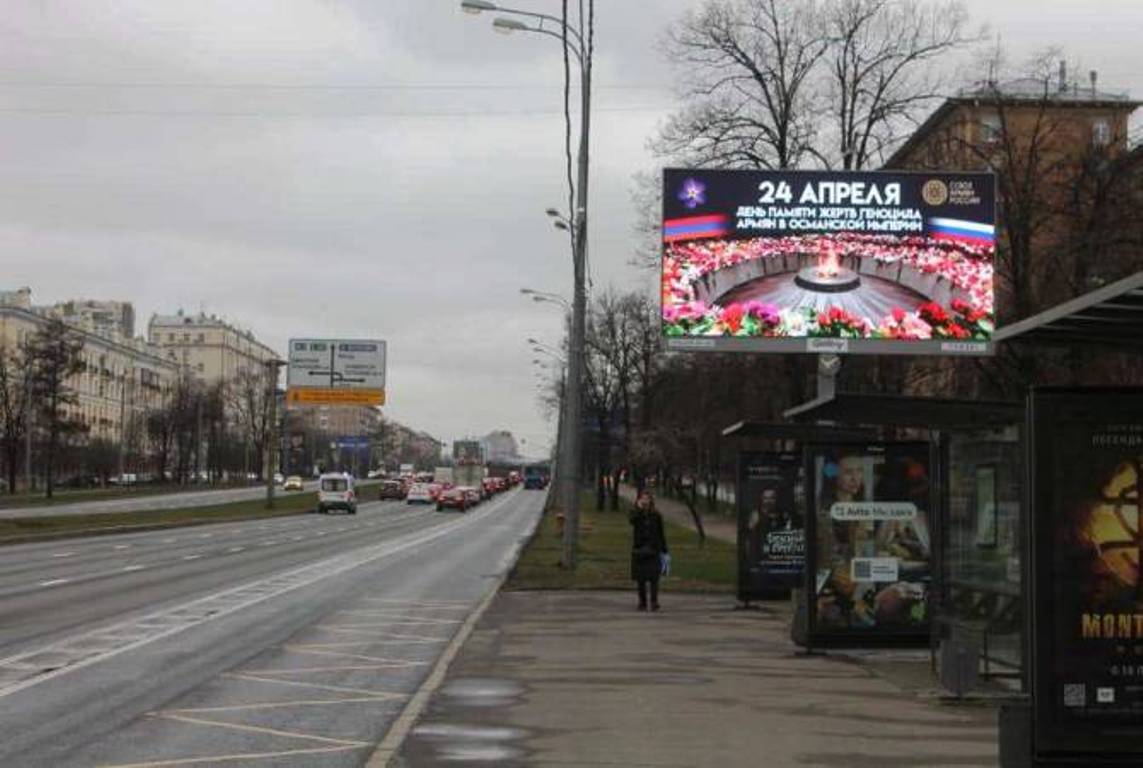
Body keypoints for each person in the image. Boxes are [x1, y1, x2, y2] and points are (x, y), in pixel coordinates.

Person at [630, 490, 669, 612]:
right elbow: (632, 520)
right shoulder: (636, 513)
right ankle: (642, 602)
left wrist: (664, 549)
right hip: (640, 549)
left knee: (654, 578)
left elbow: (661, 532)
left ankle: (654, 602)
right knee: (641, 578)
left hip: (653, 548)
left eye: (647, 499)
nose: (645, 501)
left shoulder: (656, 515)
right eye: (643, 499)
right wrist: (639, 509)